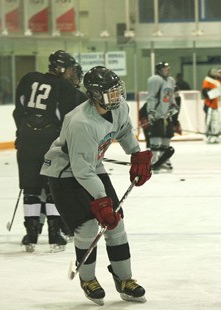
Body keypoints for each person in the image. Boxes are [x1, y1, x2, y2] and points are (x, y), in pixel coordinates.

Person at [40, 66, 151, 305]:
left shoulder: (120, 107)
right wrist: (102, 201)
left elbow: (123, 131)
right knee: (89, 227)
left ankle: (124, 279)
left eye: (117, 90)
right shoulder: (81, 122)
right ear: (95, 94)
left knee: (116, 225)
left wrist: (136, 154)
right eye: (110, 93)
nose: (117, 96)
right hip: (65, 175)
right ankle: (88, 279)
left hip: (92, 167)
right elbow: (81, 171)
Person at [13, 50, 82, 253]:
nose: (71, 73)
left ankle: (30, 236)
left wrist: (21, 133)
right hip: (50, 141)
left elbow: (19, 110)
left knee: (31, 188)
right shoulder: (65, 87)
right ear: (61, 69)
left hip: (26, 139)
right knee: (52, 187)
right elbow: (70, 118)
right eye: (70, 69)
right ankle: (55, 235)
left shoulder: (28, 78)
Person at [144, 61, 178, 171]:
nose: (167, 71)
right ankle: (153, 160)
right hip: (157, 113)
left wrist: (174, 107)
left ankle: (163, 159)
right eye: (164, 69)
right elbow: (151, 97)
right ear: (159, 70)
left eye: (168, 69)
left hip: (167, 115)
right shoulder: (155, 80)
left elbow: (171, 97)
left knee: (167, 137)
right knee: (156, 137)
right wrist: (151, 111)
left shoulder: (171, 80)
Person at [201, 68, 221, 144]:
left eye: (215, 72)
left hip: (218, 105)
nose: (215, 74)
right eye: (213, 72)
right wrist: (217, 92)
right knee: (209, 121)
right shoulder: (207, 81)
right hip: (210, 105)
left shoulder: (219, 82)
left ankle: (216, 135)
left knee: (218, 121)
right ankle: (209, 136)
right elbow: (206, 93)